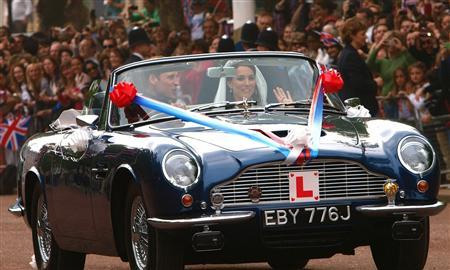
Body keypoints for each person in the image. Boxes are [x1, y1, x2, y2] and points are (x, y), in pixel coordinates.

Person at [337, 17, 378, 116]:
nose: (365, 37)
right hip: (359, 110)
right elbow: (357, 83)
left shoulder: (348, 53)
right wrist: (375, 83)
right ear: (352, 36)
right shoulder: (350, 55)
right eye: (362, 34)